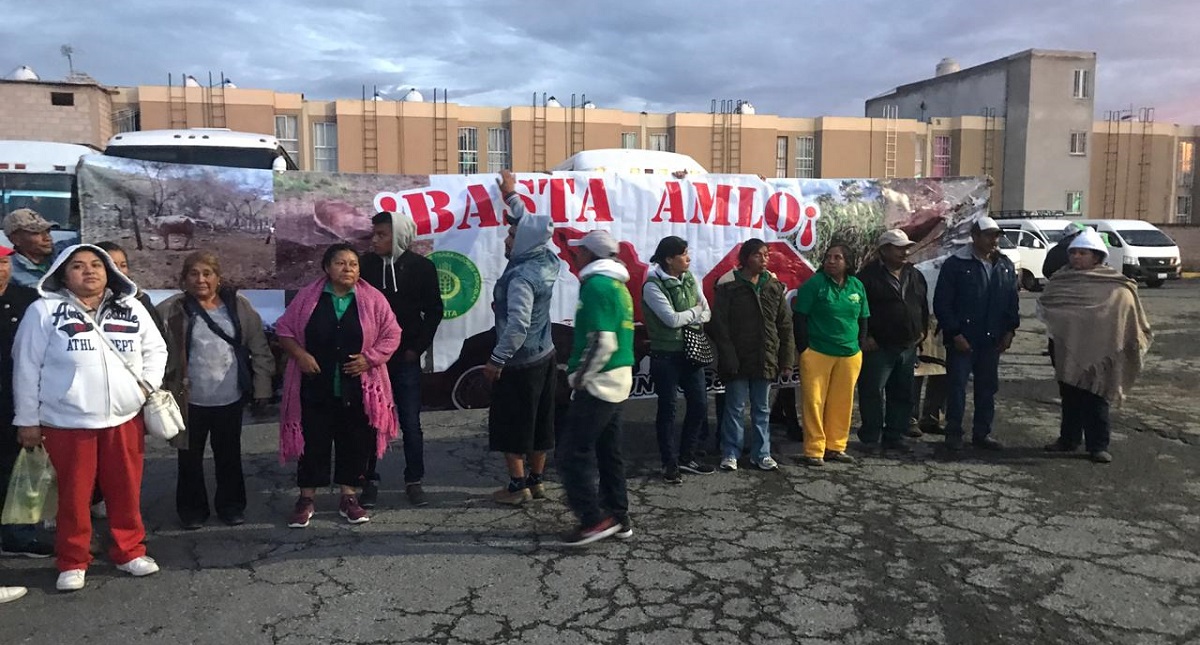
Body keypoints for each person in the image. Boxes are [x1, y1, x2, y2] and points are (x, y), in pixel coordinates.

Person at [13, 244, 167, 592]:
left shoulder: (130, 308)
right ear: (63, 275)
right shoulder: (43, 311)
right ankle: (72, 559)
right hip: (67, 422)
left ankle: (129, 551)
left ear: (109, 269)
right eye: (78, 266)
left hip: (124, 418)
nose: (89, 272)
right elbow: (25, 367)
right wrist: (27, 420)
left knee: (125, 490)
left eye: (96, 264)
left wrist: (145, 389)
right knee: (73, 495)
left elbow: (156, 349)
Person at [275, 244, 401, 528]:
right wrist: (301, 355)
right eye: (340, 263)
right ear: (327, 268)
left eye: (353, 264)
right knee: (313, 442)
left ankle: (349, 498)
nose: (348, 269)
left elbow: (392, 334)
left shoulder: (373, 299)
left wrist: (369, 359)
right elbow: (284, 330)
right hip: (314, 385)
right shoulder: (309, 298)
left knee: (355, 442)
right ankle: (306, 499)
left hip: (359, 389)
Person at [158, 251, 274, 529]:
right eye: (194, 274)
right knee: (189, 458)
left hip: (228, 398)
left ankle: (231, 507)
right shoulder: (170, 309)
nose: (201, 280)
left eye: (207, 274)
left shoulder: (238, 306)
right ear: (184, 279)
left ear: (218, 278)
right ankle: (192, 511)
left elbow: (259, 347)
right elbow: (156, 353)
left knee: (229, 456)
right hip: (188, 400)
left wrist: (262, 388)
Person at [1039, 230, 1152, 463]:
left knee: (1096, 396)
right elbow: (1046, 307)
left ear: (1097, 256)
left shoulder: (1115, 284)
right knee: (1069, 395)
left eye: (1083, 253)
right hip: (1065, 348)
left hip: (1101, 352)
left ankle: (1098, 445)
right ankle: (1068, 440)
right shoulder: (1061, 280)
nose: (1076, 257)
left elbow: (1125, 312)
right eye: (1074, 253)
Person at [484, 170, 559, 506]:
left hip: (520, 361)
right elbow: (531, 223)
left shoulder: (521, 278)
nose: (506, 240)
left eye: (511, 236)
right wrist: (511, 195)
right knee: (541, 418)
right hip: (546, 354)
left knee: (511, 422)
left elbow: (517, 326)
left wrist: (496, 360)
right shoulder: (546, 258)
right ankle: (537, 480)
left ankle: (517, 487)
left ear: (521, 242)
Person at [361, 210, 444, 508]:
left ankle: (414, 480)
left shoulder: (421, 267)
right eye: (374, 233)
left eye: (382, 234)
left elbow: (434, 310)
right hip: (371, 360)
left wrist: (417, 348)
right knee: (370, 420)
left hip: (405, 357)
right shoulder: (365, 266)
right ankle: (368, 480)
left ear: (399, 236)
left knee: (410, 421)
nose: (375, 240)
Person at [558, 230, 635, 546]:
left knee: (570, 453)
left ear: (591, 255)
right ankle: (619, 516)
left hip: (600, 382)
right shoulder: (617, 286)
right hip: (618, 378)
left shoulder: (597, 287)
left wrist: (578, 378)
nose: (576, 256)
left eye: (579, 252)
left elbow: (602, 341)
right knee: (608, 452)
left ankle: (593, 519)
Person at [933, 217, 1020, 452]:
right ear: (975, 236)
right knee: (957, 387)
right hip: (963, 339)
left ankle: (982, 433)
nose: (994, 240)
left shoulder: (1004, 265)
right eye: (989, 235)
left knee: (987, 387)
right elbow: (942, 303)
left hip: (991, 339)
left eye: (996, 235)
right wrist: (954, 333)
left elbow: (1012, 300)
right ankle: (954, 433)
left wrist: (1010, 329)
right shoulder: (956, 264)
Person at [710, 239, 795, 472]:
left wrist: (787, 360)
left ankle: (762, 453)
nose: (764, 259)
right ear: (746, 258)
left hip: (765, 357)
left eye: (766, 255)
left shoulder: (773, 286)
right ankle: (730, 453)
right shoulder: (728, 285)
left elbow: (785, 325)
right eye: (758, 255)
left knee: (762, 408)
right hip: (737, 357)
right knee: (735, 407)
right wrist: (728, 357)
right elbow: (720, 326)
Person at [642, 235, 714, 484]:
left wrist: (691, 314)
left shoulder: (691, 279)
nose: (689, 258)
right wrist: (694, 312)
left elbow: (708, 312)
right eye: (683, 254)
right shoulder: (652, 285)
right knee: (668, 410)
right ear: (669, 259)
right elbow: (670, 319)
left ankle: (688, 457)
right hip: (666, 356)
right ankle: (669, 463)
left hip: (691, 352)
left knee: (699, 405)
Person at [793, 243, 869, 466]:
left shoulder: (856, 286)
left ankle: (836, 447)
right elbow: (800, 318)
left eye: (837, 258)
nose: (831, 261)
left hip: (849, 354)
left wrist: (860, 346)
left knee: (842, 402)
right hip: (817, 352)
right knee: (814, 402)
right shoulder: (814, 284)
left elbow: (864, 318)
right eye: (828, 257)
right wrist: (804, 349)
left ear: (848, 263)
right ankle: (814, 449)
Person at [0, 245, 51, 558]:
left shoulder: (29, 300)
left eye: (4, 262)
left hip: (19, 400)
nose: (1, 269)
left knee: (21, 470)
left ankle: (19, 537)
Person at [856, 230, 928, 452]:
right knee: (872, 392)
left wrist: (923, 330)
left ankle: (894, 435)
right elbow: (858, 311)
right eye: (899, 248)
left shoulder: (914, 274)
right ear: (884, 250)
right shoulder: (866, 277)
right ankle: (870, 436)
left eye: (906, 247)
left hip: (907, 345)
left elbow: (922, 303)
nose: (904, 252)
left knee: (902, 392)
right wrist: (864, 336)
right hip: (878, 346)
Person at [95, 241, 165, 335]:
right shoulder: (84, 301)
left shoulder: (140, 299)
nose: (119, 270)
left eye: (123, 265)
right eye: (113, 265)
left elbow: (157, 340)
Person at [4, 209, 67, 288]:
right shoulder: (8, 270)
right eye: (36, 233)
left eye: (47, 231)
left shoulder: (64, 251)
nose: (48, 238)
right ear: (15, 239)